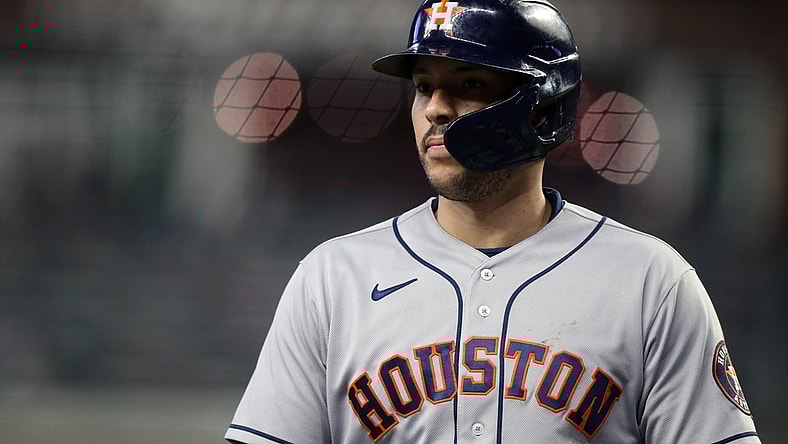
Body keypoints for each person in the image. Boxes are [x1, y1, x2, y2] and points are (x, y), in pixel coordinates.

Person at [225, 1, 760, 442]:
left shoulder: (651, 282)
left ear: (543, 106)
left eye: (469, 83)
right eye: (424, 86)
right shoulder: (331, 278)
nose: (435, 109)